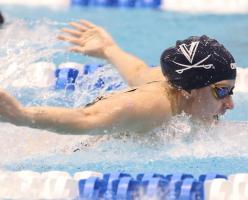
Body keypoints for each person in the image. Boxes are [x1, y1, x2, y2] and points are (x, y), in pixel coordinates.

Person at [0, 19, 236, 135]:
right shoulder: (151, 106)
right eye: (222, 91)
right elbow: (86, 119)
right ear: (190, 89)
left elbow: (139, 73)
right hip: (77, 149)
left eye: (230, 91)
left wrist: (108, 50)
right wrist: (21, 116)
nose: (230, 104)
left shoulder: (186, 89)